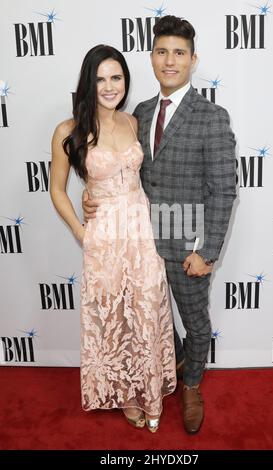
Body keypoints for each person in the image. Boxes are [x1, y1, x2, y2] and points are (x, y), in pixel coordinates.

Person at [83, 16, 237, 435]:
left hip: (187, 243)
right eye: (162, 51)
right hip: (139, 244)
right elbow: (124, 170)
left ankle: (190, 385)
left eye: (179, 53)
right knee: (150, 321)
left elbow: (223, 191)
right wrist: (91, 192)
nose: (170, 61)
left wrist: (207, 252)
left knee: (194, 319)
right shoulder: (140, 113)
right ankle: (171, 363)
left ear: (192, 59)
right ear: (152, 57)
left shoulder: (211, 116)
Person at [50, 44, 176, 433]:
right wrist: (80, 228)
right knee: (114, 315)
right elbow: (56, 189)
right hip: (104, 235)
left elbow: (139, 179)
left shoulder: (133, 122)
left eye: (116, 77)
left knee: (145, 309)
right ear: (89, 82)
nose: (109, 86)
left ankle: (150, 389)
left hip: (141, 230)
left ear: (125, 80)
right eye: (100, 78)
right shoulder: (68, 131)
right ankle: (125, 394)